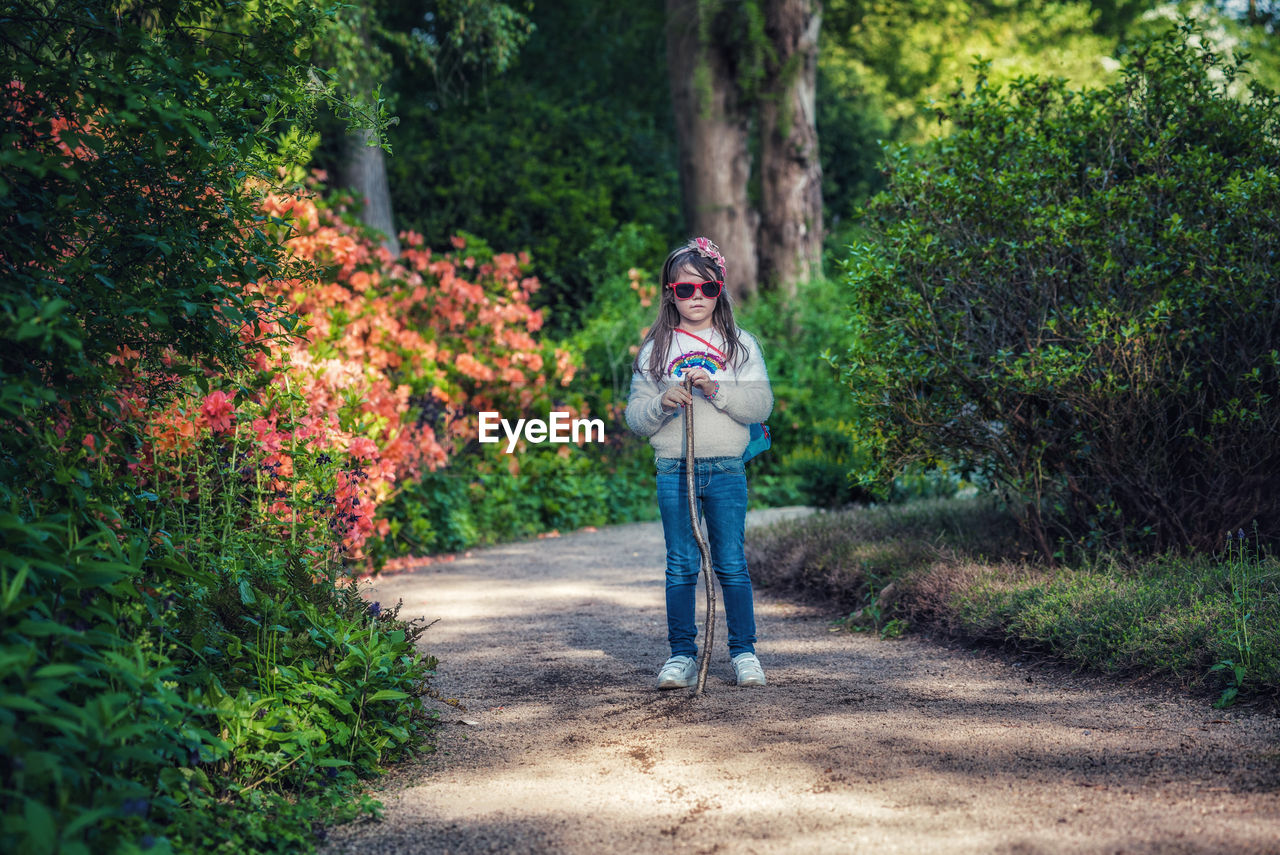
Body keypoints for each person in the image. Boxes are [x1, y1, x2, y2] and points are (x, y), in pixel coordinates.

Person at [624, 237, 774, 689]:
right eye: (685, 289)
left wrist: (717, 390)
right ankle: (681, 655)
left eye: (706, 289)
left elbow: (761, 405)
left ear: (720, 289)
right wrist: (661, 405)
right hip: (675, 470)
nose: (696, 298)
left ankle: (744, 653)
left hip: (726, 469)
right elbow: (635, 417)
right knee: (681, 564)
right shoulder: (655, 349)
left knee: (730, 562)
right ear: (670, 292)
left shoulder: (740, 345)